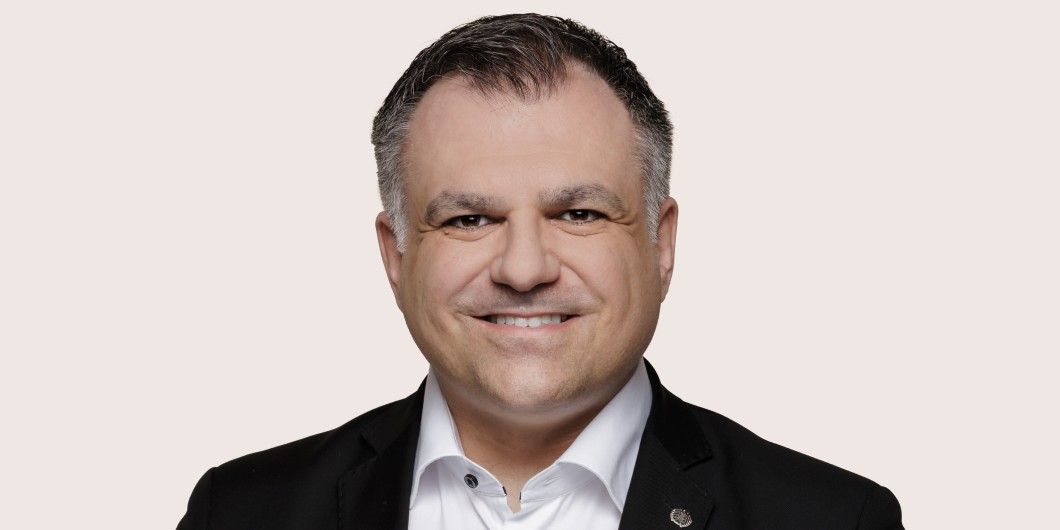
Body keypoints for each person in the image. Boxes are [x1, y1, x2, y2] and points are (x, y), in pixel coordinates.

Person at [177, 13, 903, 530]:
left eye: (578, 213)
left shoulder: (835, 520)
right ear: (396, 256)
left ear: (661, 244)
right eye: (469, 219)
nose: (524, 269)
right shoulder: (239, 513)